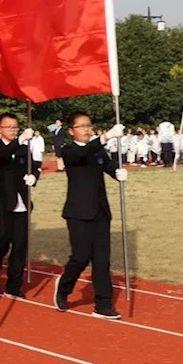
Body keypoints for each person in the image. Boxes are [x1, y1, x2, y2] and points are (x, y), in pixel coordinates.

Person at [54, 113, 129, 320]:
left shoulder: (98, 150)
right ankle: (64, 288)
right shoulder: (69, 151)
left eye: (89, 125)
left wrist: (117, 172)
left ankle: (103, 304)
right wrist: (104, 138)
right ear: (71, 131)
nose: (87, 129)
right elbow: (83, 153)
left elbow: (107, 165)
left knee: (102, 259)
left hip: (100, 212)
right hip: (78, 212)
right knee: (80, 257)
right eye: (82, 126)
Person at [0, 113, 40, 299]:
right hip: (2, 201)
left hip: (22, 201)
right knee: (3, 239)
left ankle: (14, 284)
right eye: (9, 127)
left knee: (20, 244)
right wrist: (21, 140)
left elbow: (34, 166)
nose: (13, 130)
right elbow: (1, 157)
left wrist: (34, 176)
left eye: (15, 127)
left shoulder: (24, 148)